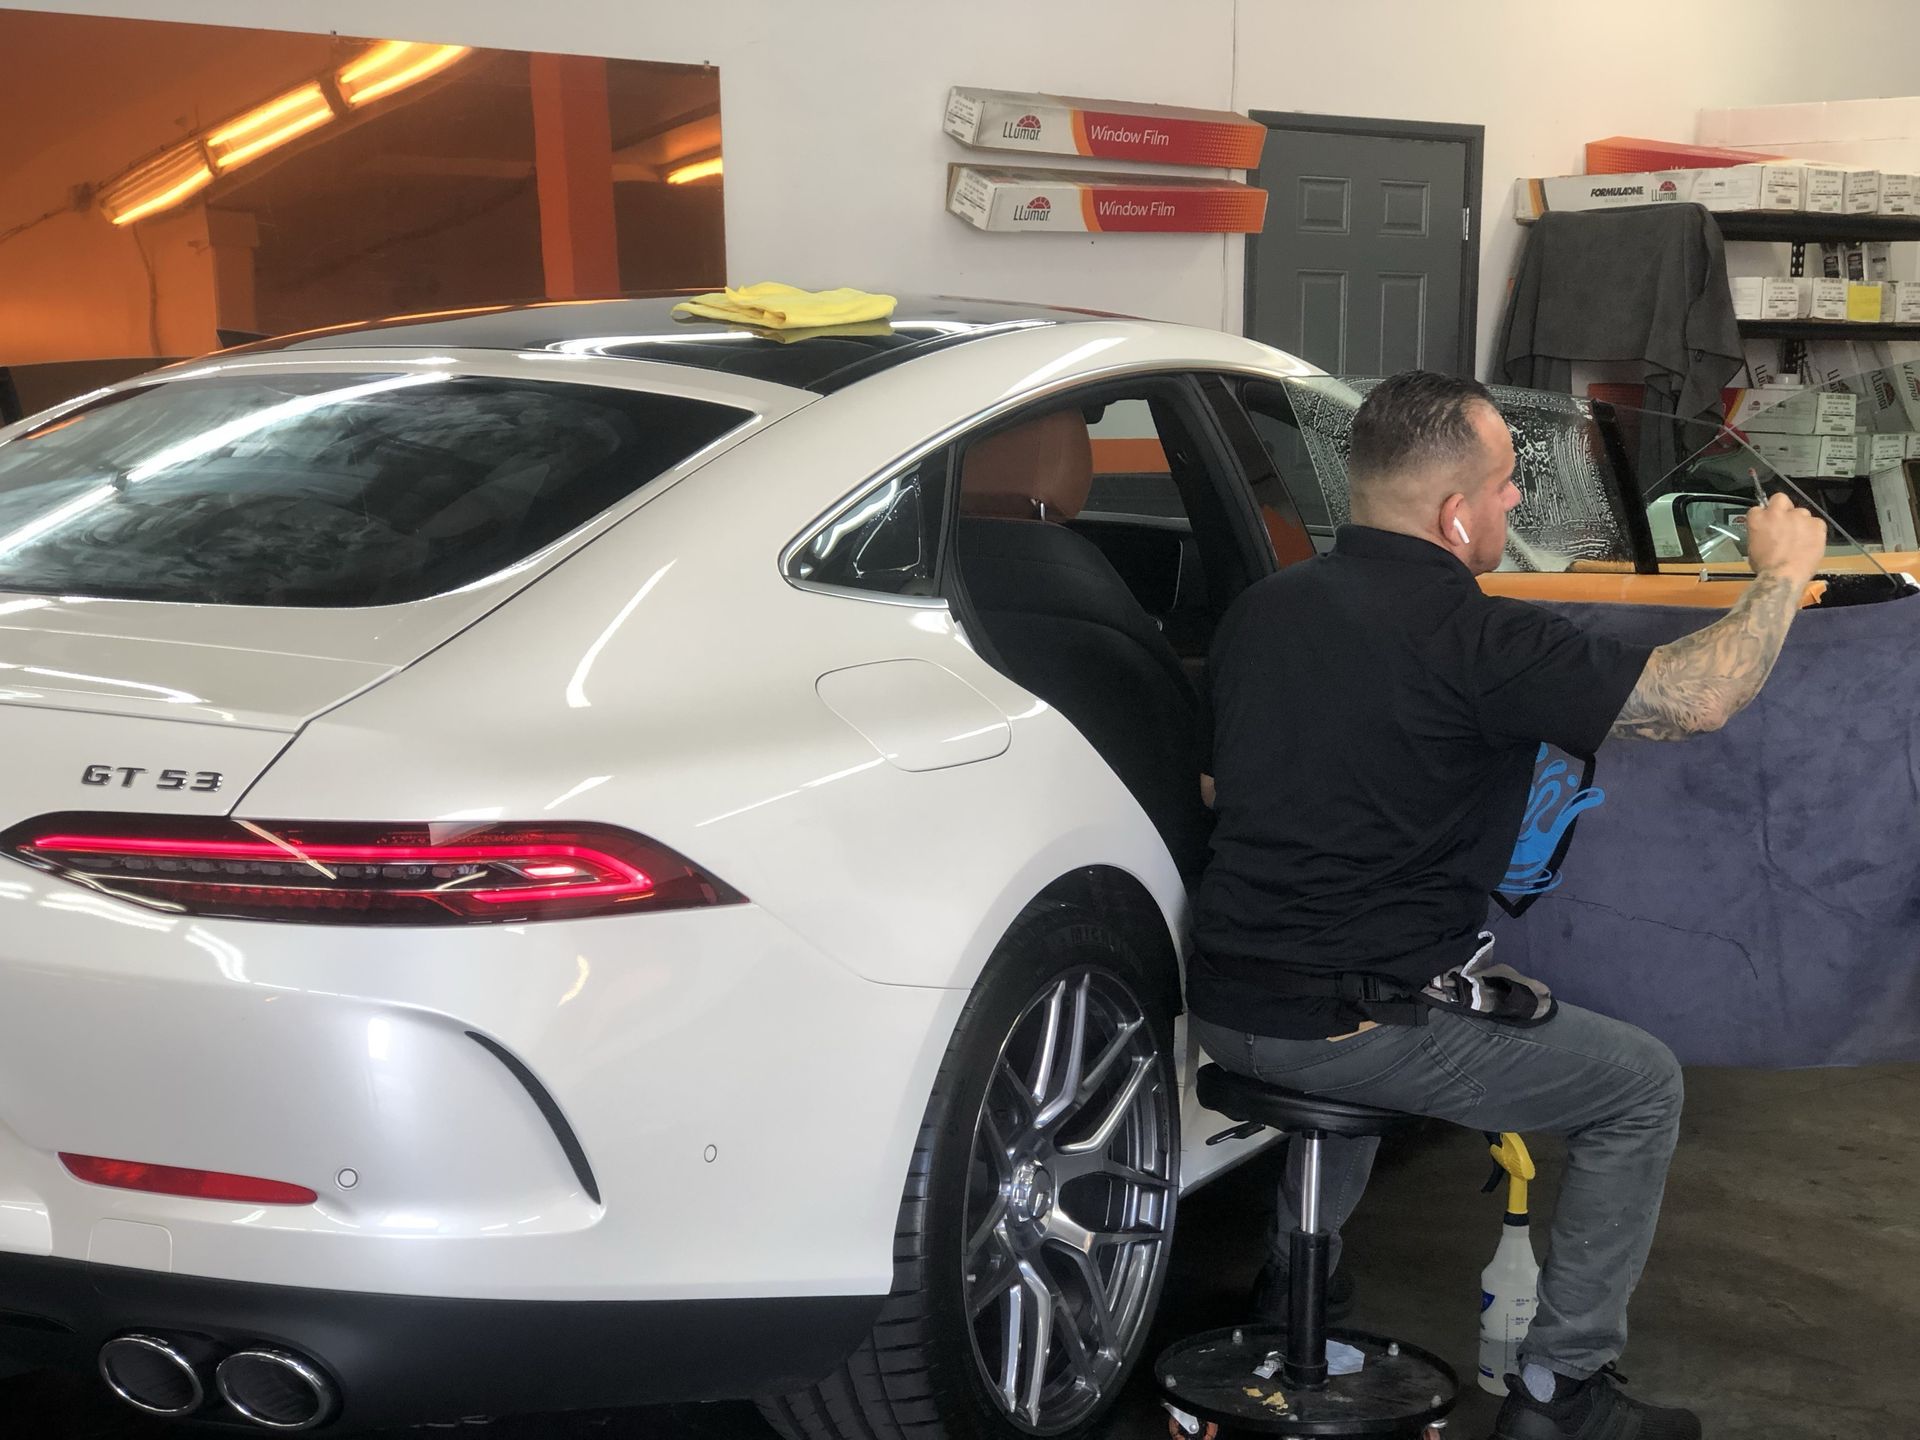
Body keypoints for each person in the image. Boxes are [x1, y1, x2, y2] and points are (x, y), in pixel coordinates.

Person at [1188, 370, 1827, 1440]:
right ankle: (1561, 1392)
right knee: (1638, 1087)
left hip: (1225, 997)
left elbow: (1220, 785)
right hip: (1348, 1022)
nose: (1514, 504)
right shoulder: (1477, 638)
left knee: (1383, 1010)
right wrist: (1780, 578)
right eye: (1503, 487)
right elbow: (1699, 696)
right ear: (1453, 512)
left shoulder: (1265, 610)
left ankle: (1295, 1294)